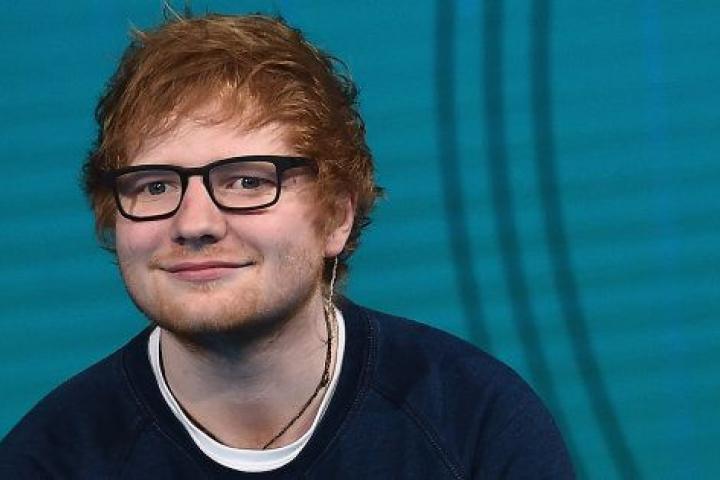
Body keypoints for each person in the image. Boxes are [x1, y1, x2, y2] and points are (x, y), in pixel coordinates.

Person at [0, 12, 574, 479]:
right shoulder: (46, 461)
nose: (194, 222)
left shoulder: (475, 423)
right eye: (155, 186)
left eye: (248, 181)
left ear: (336, 217)